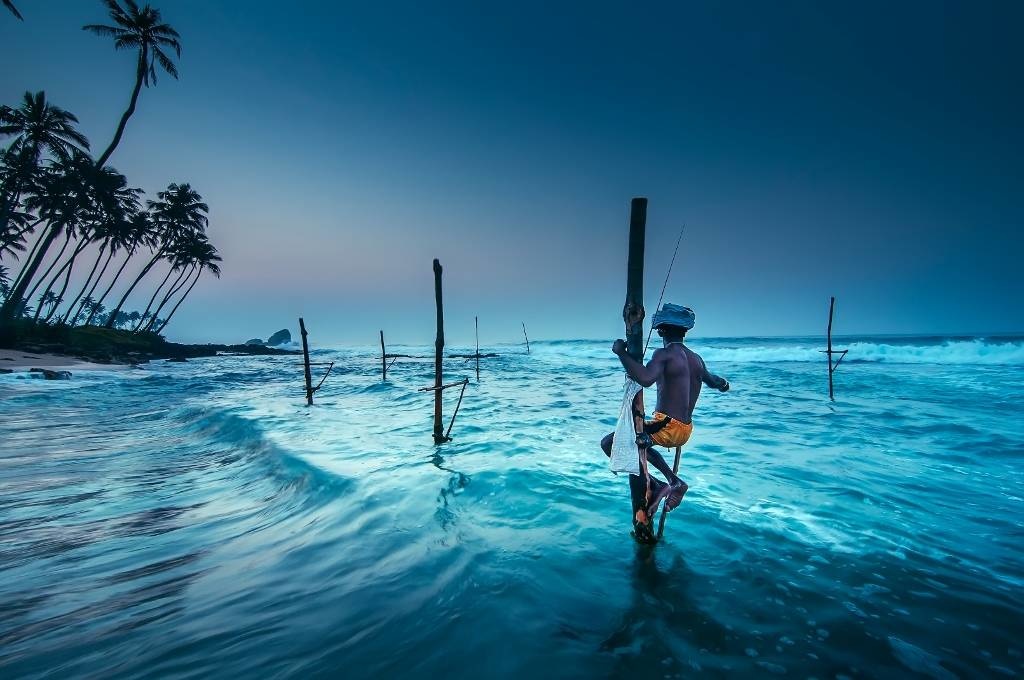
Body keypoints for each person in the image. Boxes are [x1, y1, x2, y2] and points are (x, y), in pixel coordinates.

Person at [601, 303, 729, 522]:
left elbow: (646, 378)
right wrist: (724, 384)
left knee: (609, 443)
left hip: (667, 427)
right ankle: (663, 483)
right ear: (685, 330)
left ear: (660, 330)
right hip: (685, 430)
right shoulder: (696, 359)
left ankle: (672, 482)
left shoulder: (664, 354)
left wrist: (621, 353)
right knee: (639, 440)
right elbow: (713, 381)